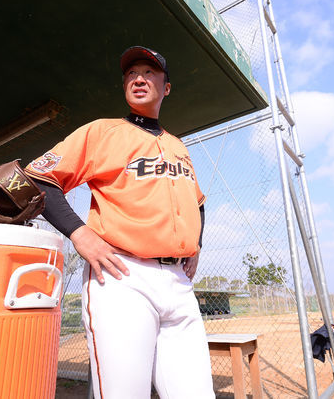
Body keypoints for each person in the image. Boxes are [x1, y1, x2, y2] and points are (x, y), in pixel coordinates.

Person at [25, 46, 214, 399]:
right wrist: (79, 233)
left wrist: (197, 243)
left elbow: (198, 202)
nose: (138, 78)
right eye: (131, 73)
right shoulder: (102, 131)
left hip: (179, 283)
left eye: (149, 72)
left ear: (167, 87)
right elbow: (38, 179)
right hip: (122, 277)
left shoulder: (177, 146)